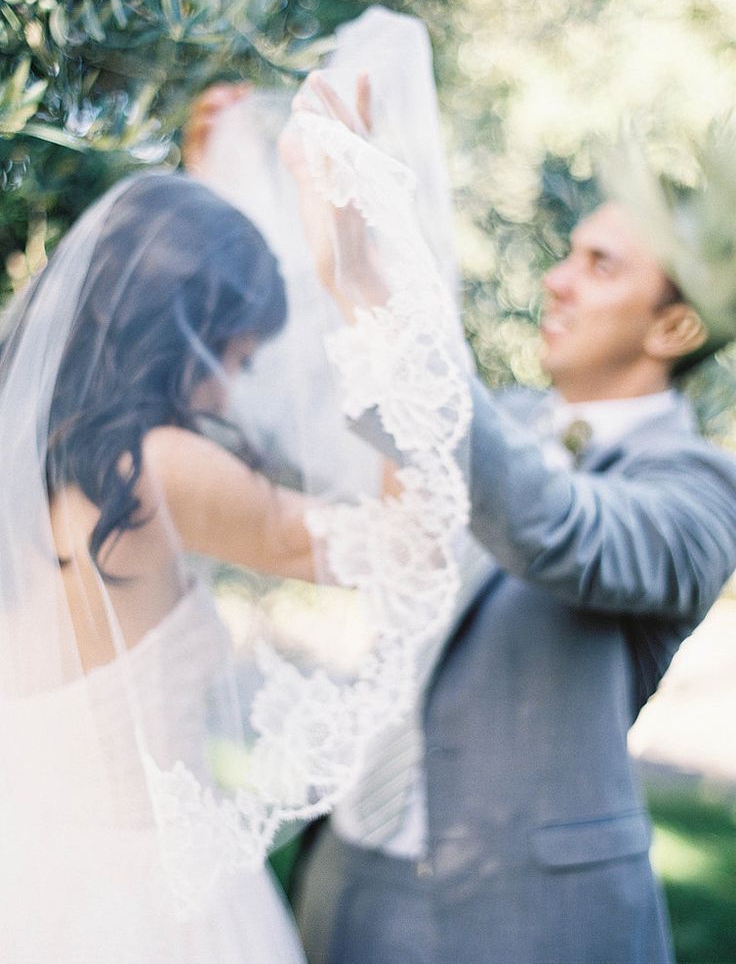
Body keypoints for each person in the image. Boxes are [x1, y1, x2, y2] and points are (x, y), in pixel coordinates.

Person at [0, 153, 471, 961]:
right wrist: (365, 292)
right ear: (181, 329)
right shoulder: (157, 468)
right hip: (143, 902)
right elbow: (414, 547)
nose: (230, 392)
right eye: (239, 359)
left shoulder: (36, 460)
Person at [290, 133, 736, 961]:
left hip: (527, 922)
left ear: (674, 323)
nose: (555, 279)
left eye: (600, 266)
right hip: (344, 876)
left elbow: (555, 529)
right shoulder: (505, 417)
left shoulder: (704, 489)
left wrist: (375, 289)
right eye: (568, 254)